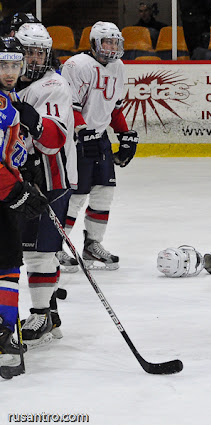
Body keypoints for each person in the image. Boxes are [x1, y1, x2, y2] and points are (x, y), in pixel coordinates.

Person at [13, 23, 76, 347]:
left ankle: (41, 313)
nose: (34, 58)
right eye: (28, 52)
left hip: (51, 177)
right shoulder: (11, 83)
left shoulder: (53, 85)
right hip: (22, 175)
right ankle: (50, 310)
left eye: (40, 52)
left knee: (41, 252)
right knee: (27, 248)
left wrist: (31, 119)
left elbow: (54, 137)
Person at [58, 22, 139, 271]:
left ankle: (92, 245)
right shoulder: (76, 65)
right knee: (77, 195)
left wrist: (124, 133)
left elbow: (113, 107)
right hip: (74, 138)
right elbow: (68, 106)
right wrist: (83, 133)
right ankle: (55, 247)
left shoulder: (118, 67)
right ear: (94, 43)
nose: (112, 47)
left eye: (116, 42)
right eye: (107, 42)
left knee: (104, 192)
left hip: (99, 137)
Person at [0, 36, 48, 365]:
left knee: (7, 264)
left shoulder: (11, 104)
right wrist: (14, 190)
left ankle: (5, 330)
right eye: (3, 65)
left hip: (4, 194)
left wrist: (23, 178)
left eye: (15, 65)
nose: (10, 72)